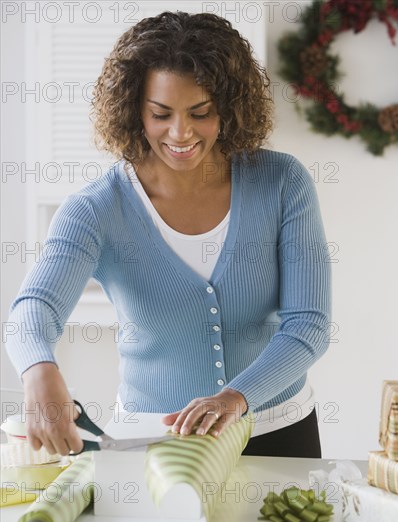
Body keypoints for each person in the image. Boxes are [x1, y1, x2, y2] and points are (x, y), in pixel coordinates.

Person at [5, 11, 331, 458]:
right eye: (161, 114)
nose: (181, 133)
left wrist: (235, 399)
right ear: (134, 110)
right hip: (155, 441)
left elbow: (308, 324)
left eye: (201, 113)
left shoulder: (282, 183)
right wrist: (39, 372)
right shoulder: (97, 209)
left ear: (229, 108)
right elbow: (33, 308)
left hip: (278, 430)